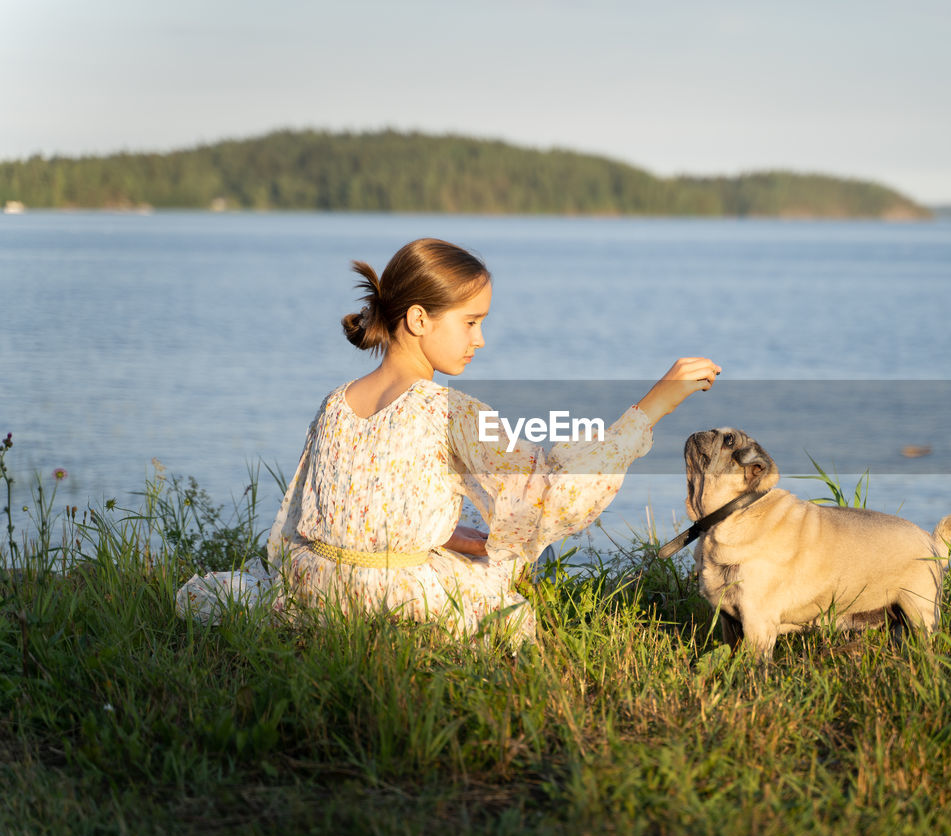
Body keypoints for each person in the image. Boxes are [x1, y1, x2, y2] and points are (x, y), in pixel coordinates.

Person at [177, 238, 719, 643]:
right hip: (388, 599)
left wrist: (440, 533)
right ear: (418, 318)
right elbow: (552, 492)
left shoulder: (334, 402)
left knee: (485, 536)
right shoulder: (448, 411)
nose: (480, 340)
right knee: (504, 575)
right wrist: (653, 407)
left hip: (315, 584)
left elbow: (338, 513)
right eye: (471, 322)